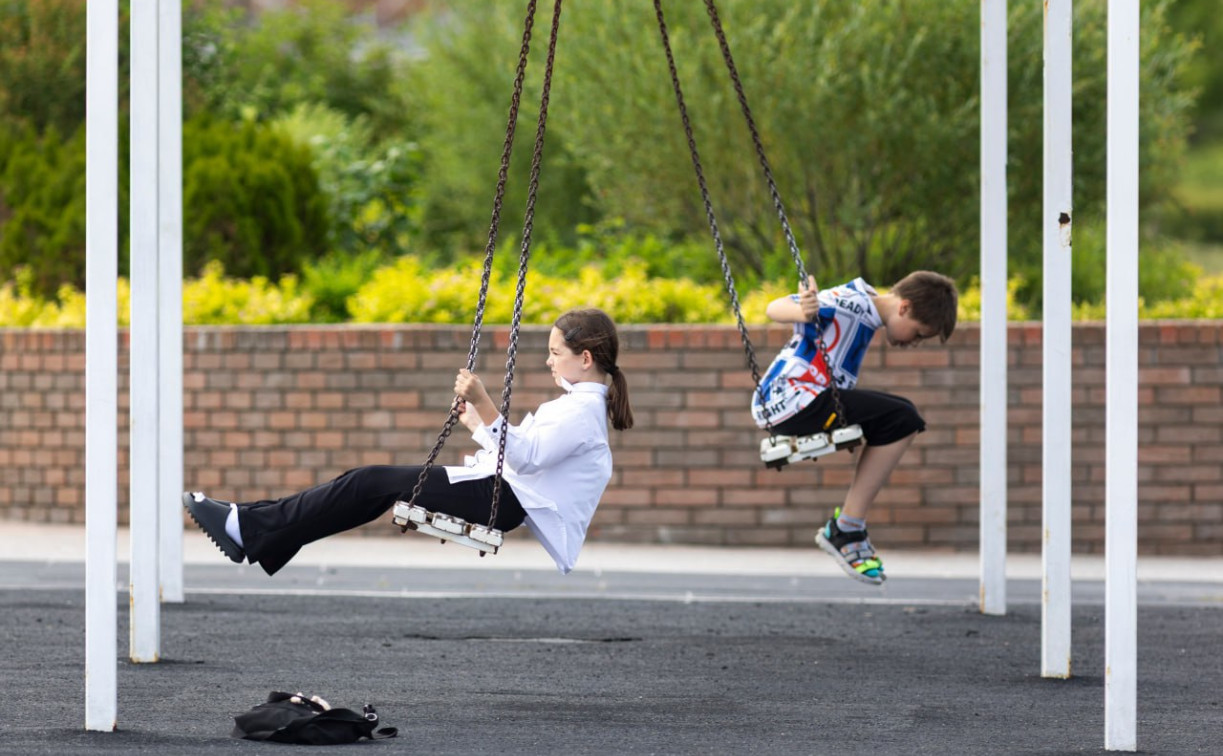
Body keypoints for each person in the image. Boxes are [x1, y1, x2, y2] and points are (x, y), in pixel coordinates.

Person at [183, 308, 634, 576]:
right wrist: (478, 424)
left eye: (556, 353)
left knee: (369, 482)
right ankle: (257, 529)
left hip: (501, 498)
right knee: (365, 485)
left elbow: (527, 458)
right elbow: (522, 454)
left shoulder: (581, 411)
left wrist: (483, 399)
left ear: (586, 358)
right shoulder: (577, 407)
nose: (549, 361)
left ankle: (250, 527)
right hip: (500, 492)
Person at [751, 271, 958, 585]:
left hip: (806, 400)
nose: (914, 343)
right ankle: (847, 528)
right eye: (917, 334)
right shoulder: (851, 303)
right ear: (904, 308)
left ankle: (848, 526)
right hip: (792, 400)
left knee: (898, 417)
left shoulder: (865, 306)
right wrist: (801, 311)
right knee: (903, 417)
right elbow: (774, 308)